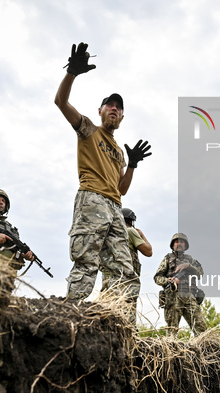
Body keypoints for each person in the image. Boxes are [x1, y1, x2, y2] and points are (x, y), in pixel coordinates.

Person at [54, 42, 152, 315]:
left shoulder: (118, 151)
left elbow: (121, 189)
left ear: (122, 116)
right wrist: (71, 73)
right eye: (110, 105)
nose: (114, 109)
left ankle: (117, 324)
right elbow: (60, 102)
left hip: (115, 208)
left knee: (124, 272)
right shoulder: (89, 129)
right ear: (100, 110)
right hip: (92, 201)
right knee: (86, 263)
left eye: (119, 108)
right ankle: (67, 318)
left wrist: (131, 164)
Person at [154, 233, 207, 336]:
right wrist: (168, 281)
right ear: (173, 244)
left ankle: (204, 351)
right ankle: (171, 351)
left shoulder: (191, 261)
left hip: (189, 296)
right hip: (173, 297)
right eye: (177, 241)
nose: (179, 244)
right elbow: (157, 277)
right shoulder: (167, 259)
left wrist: (188, 267)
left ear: (186, 245)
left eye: (182, 242)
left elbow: (200, 274)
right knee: (171, 332)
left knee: (201, 329)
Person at [101, 208, 153, 292]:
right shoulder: (130, 231)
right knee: (126, 303)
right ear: (131, 221)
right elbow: (148, 252)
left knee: (107, 303)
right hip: (125, 279)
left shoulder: (108, 234)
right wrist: (142, 235)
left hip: (107, 278)